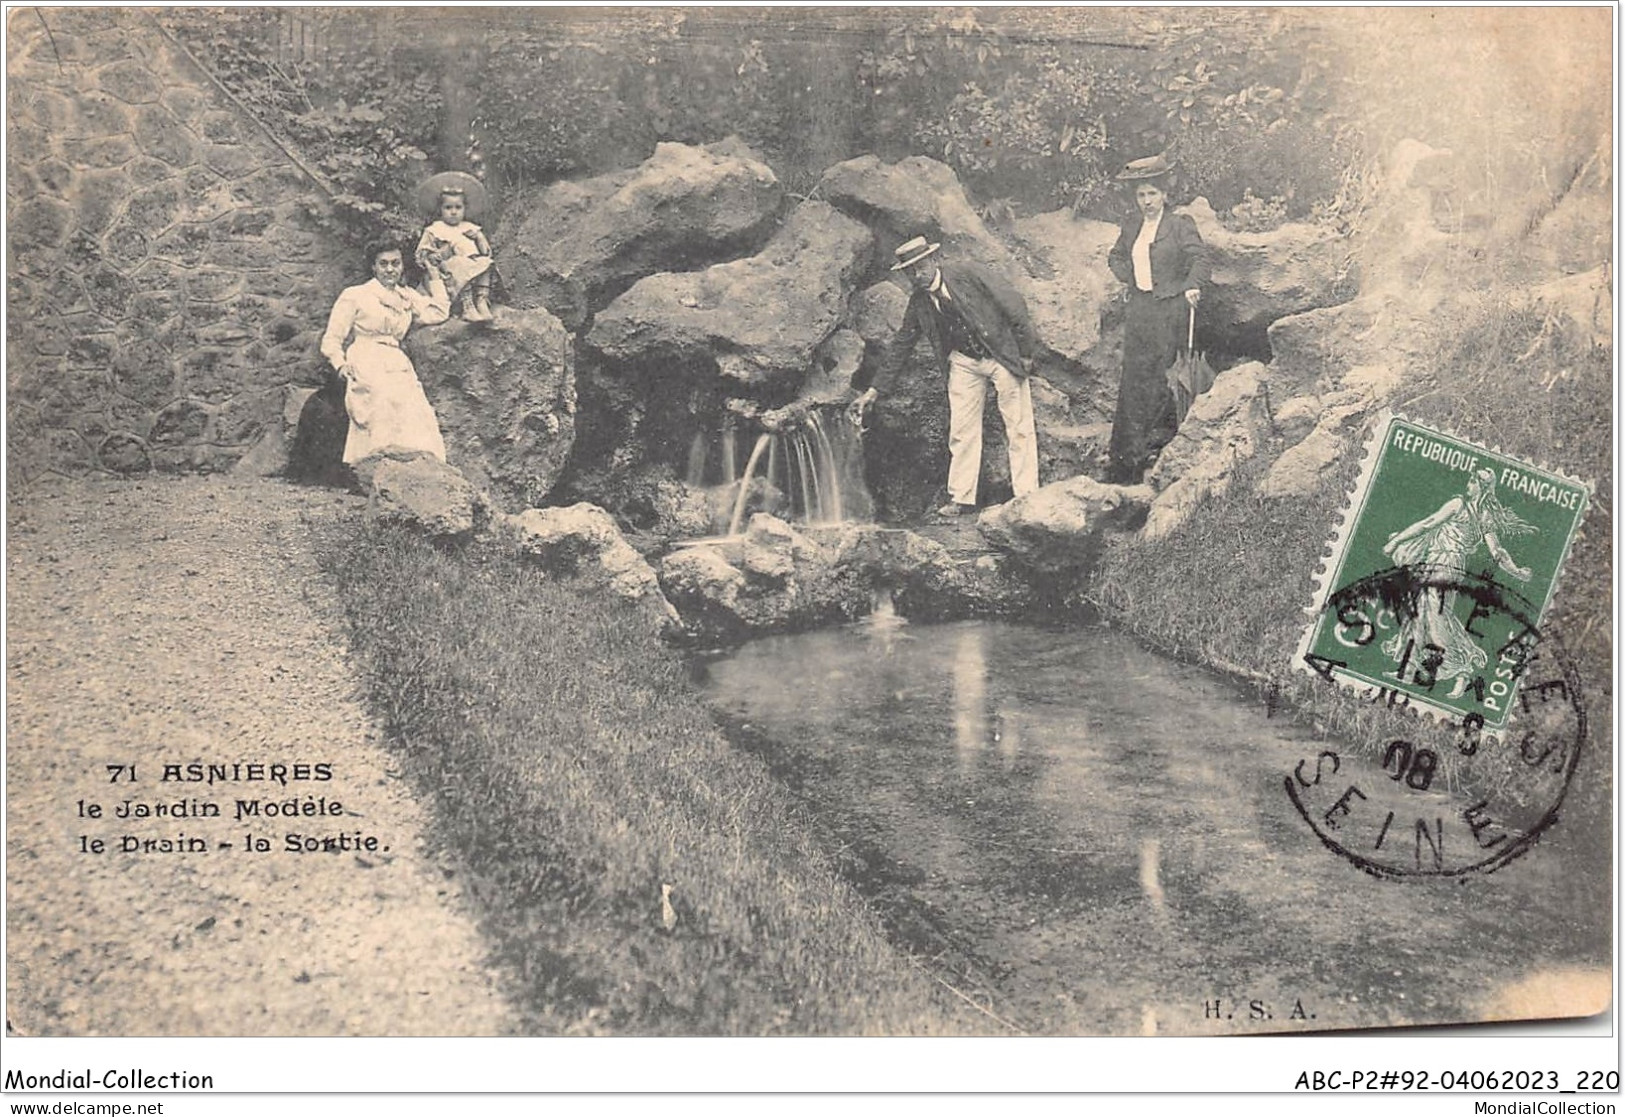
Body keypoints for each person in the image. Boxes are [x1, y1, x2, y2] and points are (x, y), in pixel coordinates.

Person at [848, 236, 1040, 517]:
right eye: (910, 271)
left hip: (1000, 353)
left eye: (920, 266)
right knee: (962, 429)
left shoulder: (968, 273)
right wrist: (873, 391)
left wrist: (1024, 353)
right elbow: (902, 344)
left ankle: (1027, 495)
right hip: (963, 362)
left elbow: (1013, 303)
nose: (917, 274)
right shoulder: (919, 303)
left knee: (1018, 423)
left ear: (933, 260)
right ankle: (961, 498)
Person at [1380, 467, 1535, 698]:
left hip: (1444, 563)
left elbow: (1427, 524)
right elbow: (1498, 552)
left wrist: (1396, 542)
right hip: (1446, 564)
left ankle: (1461, 667)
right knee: (1423, 612)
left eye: (1473, 481)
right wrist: (1517, 572)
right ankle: (1410, 668)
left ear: (1481, 487)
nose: (1468, 485)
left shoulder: (1458, 504)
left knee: (1434, 614)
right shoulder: (1485, 516)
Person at [1104, 155, 1210, 484]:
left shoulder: (1180, 225)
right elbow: (1116, 256)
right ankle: (1126, 460)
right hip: (1140, 311)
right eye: (1140, 195)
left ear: (1164, 194)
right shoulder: (1132, 226)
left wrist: (1191, 286)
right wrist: (1132, 279)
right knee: (1134, 381)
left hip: (1170, 311)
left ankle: (1161, 455)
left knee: (1163, 379)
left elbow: (1200, 259)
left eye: (1151, 194)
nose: (1146, 202)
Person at [319, 242, 451, 470]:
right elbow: (331, 339)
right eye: (383, 264)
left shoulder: (407, 297)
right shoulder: (356, 295)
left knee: (416, 412)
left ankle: (415, 475)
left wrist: (433, 273)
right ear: (373, 267)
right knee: (381, 410)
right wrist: (341, 365)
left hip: (397, 361)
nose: (390, 270)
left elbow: (439, 312)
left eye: (395, 264)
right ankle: (374, 473)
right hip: (365, 358)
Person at [416, 187, 494, 323]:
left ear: (465, 208)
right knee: (460, 264)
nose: (453, 212)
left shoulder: (470, 227)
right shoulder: (434, 229)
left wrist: (480, 237)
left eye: (458, 207)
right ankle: (467, 306)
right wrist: (432, 256)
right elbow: (422, 254)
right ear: (440, 209)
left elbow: (485, 252)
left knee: (486, 263)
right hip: (446, 270)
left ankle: (481, 301)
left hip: (472, 265)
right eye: (448, 207)